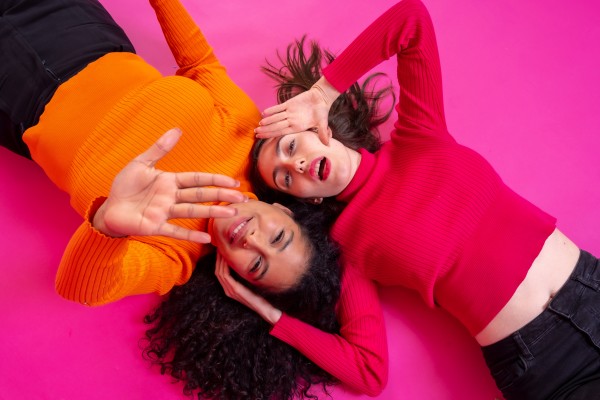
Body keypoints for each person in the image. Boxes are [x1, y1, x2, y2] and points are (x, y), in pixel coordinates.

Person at [1, 0, 388, 397]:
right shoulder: (248, 136)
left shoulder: (174, 257)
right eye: (278, 238)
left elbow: (82, 289)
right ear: (282, 209)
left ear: (236, 276)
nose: (253, 240)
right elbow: (199, 63)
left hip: (18, 100)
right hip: (83, 32)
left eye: (257, 264)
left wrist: (108, 226)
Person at [246, 0, 600, 399]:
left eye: (291, 146)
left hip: (591, 282)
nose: (295, 165)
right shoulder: (348, 244)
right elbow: (368, 371)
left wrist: (323, 93)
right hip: (546, 363)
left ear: (315, 129)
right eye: (285, 178)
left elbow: (411, 19)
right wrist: (272, 316)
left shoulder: (419, 134)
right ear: (304, 200)